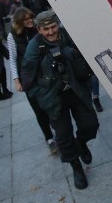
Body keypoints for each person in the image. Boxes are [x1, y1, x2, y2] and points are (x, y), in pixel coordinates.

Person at [23, 10, 99, 189]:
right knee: (63, 136)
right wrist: (41, 94)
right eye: (46, 29)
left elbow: (86, 54)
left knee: (91, 124)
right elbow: (27, 77)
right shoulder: (34, 47)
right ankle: (76, 167)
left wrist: (72, 54)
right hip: (54, 97)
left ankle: (81, 143)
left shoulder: (66, 37)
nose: (51, 32)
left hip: (76, 90)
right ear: (39, 30)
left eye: (53, 27)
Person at [7, 7, 57, 154]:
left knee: (52, 103)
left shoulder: (38, 30)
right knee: (38, 109)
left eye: (31, 18)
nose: (29, 21)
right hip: (28, 78)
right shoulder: (13, 36)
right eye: (26, 19)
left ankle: (57, 127)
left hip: (45, 73)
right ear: (19, 22)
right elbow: (12, 59)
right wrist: (16, 80)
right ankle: (49, 138)